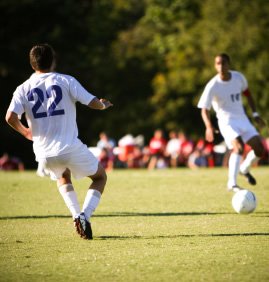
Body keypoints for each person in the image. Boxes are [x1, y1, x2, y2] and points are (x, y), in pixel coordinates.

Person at [5, 43, 113, 240]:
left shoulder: (22, 88)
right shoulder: (66, 80)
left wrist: (26, 133)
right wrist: (104, 105)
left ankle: (75, 215)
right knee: (100, 177)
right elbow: (93, 103)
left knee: (63, 176)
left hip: (43, 152)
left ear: (31, 64)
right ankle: (84, 216)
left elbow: (10, 117)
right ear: (53, 61)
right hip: (69, 146)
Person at [198, 53, 265, 192]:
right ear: (215, 66)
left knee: (260, 149)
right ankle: (232, 183)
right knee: (238, 147)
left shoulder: (238, 78)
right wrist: (209, 126)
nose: (221, 66)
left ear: (229, 64)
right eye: (218, 63)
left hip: (242, 119)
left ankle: (244, 169)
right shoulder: (213, 85)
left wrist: (255, 114)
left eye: (223, 63)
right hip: (226, 122)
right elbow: (204, 109)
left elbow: (248, 94)